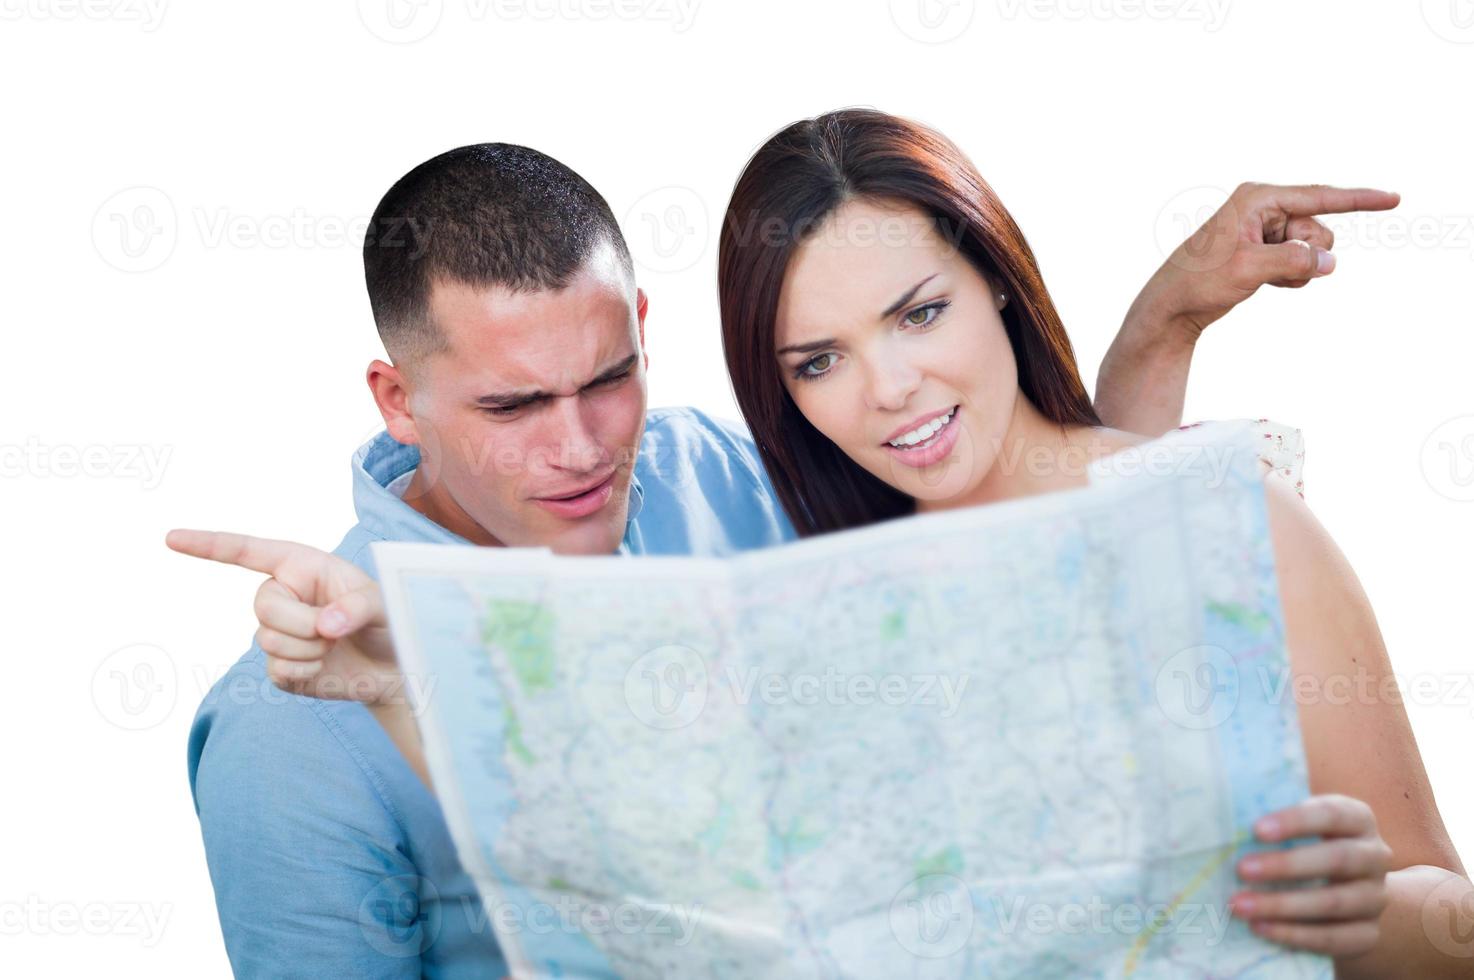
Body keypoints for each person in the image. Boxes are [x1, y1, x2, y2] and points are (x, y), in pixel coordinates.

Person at [167, 136, 1403, 976]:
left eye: (610, 378)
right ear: (397, 397)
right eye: (512, 407)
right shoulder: (285, 735)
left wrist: (1160, 323)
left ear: (646, 331)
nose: (582, 444)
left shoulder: (748, 469)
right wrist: (401, 683)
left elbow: (1045, 545)